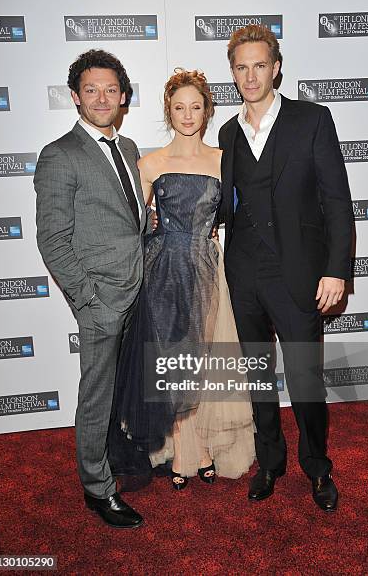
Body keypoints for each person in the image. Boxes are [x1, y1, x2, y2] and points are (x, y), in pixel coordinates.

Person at [218, 25, 353, 511]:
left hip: (297, 274)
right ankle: (269, 460)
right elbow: (230, 202)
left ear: (276, 67)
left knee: (304, 378)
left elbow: (337, 201)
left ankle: (317, 466)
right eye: (240, 67)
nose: (250, 76)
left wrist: (336, 270)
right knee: (258, 375)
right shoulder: (228, 132)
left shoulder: (312, 120)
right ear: (232, 72)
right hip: (244, 274)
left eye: (259, 65)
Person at [108, 69, 255, 490]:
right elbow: (129, 225)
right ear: (168, 112)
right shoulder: (150, 164)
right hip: (163, 271)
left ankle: (204, 445)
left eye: (195, 107)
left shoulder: (225, 160)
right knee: (172, 361)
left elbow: (240, 214)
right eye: (179, 107)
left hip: (208, 268)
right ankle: (180, 447)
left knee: (205, 360)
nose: (187, 115)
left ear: (207, 111)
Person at [34, 49, 146, 528]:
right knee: (97, 397)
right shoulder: (60, 154)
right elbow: (52, 240)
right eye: (91, 89)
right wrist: (89, 300)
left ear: (123, 96)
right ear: (76, 97)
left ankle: (120, 458)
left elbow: (126, 219)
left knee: (126, 391)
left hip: (139, 290)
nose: (102, 97)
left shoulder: (130, 148)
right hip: (101, 299)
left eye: (111, 89)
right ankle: (98, 490)